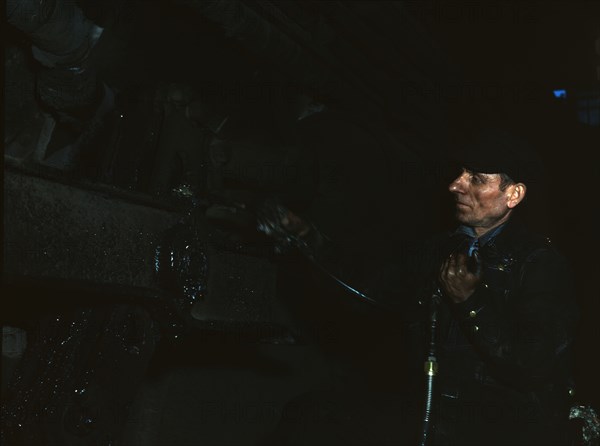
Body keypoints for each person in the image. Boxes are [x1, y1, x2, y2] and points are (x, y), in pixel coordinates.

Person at [257, 127, 579, 445]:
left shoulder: (538, 263)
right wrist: (308, 237)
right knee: (309, 416)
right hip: (426, 413)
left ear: (514, 195)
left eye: (476, 179)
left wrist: (471, 303)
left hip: (496, 428)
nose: (455, 185)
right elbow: (374, 286)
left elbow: (533, 365)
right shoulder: (435, 250)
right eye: (460, 174)